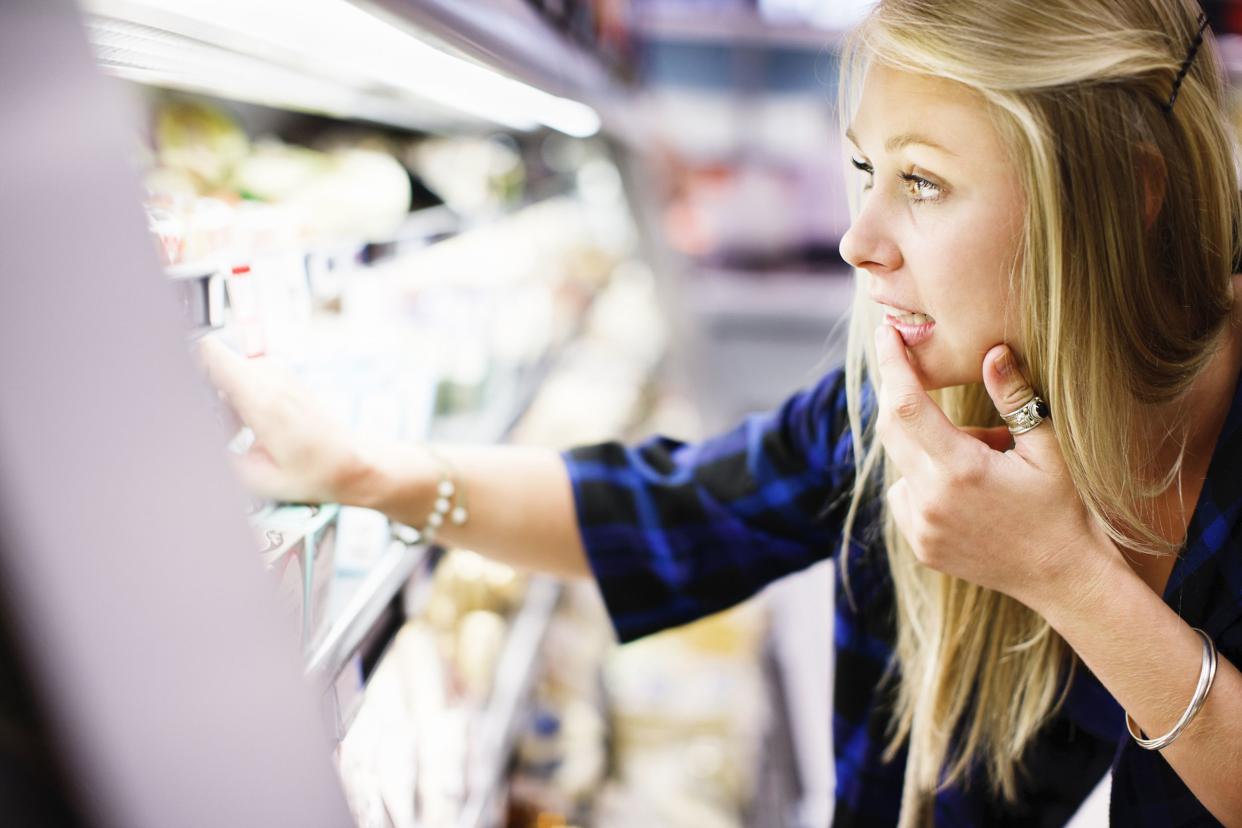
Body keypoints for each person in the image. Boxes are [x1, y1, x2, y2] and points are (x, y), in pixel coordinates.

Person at [200, 0, 1242, 824]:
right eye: (865, 170)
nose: (857, 238)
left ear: (1126, 188)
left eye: (922, 181)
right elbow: (675, 510)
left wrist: (1064, 577)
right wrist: (361, 474)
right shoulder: (904, 417)